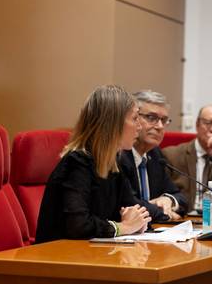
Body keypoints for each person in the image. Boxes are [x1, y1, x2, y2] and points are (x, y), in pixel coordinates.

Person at [35, 85, 151, 243]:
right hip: (58, 260)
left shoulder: (114, 164)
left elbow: (132, 206)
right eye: (135, 118)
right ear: (112, 124)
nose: (140, 126)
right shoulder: (76, 164)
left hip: (93, 256)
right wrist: (123, 227)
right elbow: (78, 226)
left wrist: (138, 221)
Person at [119, 90, 188, 222]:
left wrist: (168, 200)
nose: (160, 126)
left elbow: (181, 197)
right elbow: (129, 204)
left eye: (164, 120)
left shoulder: (155, 155)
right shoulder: (121, 155)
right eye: (151, 118)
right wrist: (165, 213)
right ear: (134, 118)